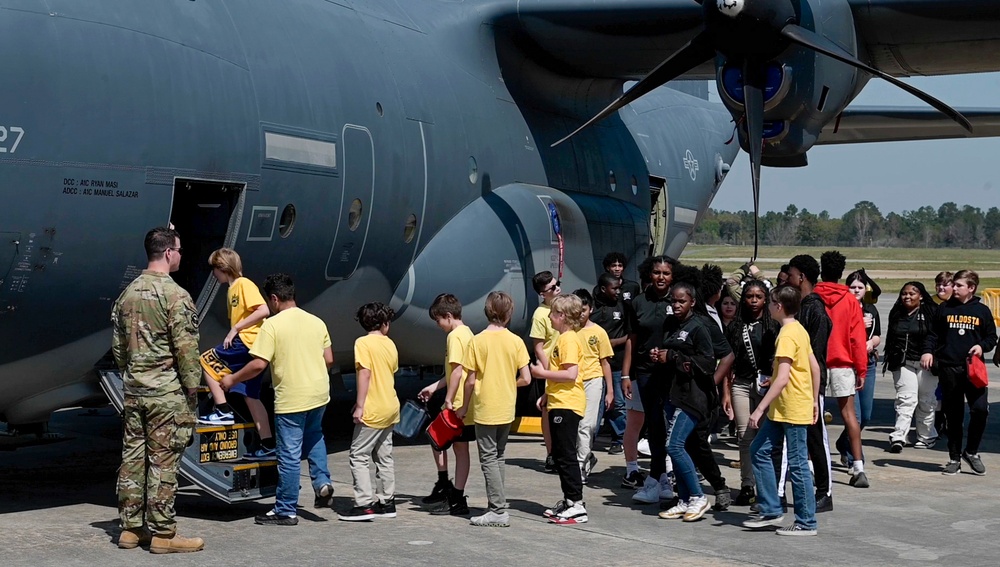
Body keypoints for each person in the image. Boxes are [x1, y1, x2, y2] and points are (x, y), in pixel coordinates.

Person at [111, 226, 204, 553]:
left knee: (133, 457)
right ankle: (164, 533)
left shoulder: (129, 293)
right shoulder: (176, 295)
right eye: (178, 250)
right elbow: (186, 349)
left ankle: (131, 530)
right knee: (164, 461)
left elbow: (119, 348)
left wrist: (134, 376)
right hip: (167, 394)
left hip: (135, 390)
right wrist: (193, 389)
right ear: (168, 253)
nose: (180, 255)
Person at [222, 273, 334, 526]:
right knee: (315, 436)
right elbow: (328, 360)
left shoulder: (273, 325)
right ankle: (322, 482)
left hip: (292, 398)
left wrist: (232, 379)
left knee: (289, 455)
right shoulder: (316, 321)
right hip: (319, 394)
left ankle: (285, 509)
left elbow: (258, 364)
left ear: (274, 299)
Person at [743, 285, 822, 536]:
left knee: (797, 465)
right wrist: (813, 400)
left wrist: (758, 410)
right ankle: (771, 509)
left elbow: (784, 378)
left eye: (770, 302)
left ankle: (806, 522)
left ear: (778, 306)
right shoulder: (797, 329)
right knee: (759, 450)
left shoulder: (787, 334)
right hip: (786, 407)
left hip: (790, 408)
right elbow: (814, 368)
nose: (767, 306)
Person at [453, 291, 532, 527]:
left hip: (486, 407)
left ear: (487, 311)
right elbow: (526, 378)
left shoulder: (477, 341)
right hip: (507, 406)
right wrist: (508, 382)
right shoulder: (516, 341)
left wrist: (464, 406)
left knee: (488, 458)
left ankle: (497, 510)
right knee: (498, 456)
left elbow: (469, 380)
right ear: (508, 314)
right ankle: (498, 504)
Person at [197, 249, 275, 458]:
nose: (213, 273)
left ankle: (222, 410)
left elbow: (263, 310)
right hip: (252, 344)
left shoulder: (243, 284)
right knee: (250, 396)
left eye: (214, 268)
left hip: (247, 341)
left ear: (223, 268)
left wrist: (236, 328)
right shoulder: (232, 288)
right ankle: (268, 445)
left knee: (206, 360)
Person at [922, 270, 997, 476]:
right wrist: (928, 352)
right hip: (949, 369)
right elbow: (933, 335)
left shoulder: (981, 311)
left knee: (980, 410)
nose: (953, 288)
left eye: (958, 285)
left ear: (971, 288)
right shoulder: (944, 309)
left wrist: (982, 346)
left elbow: (991, 337)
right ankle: (954, 458)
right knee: (953, 416)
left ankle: (971, 452)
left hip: (973, 370)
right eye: (953, 285)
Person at [656, 282, 718, 522]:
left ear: (692, 302)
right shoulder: (673, 325)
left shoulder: (699, 327)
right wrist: (660, 355)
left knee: (674, 446)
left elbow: (707, 363)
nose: (676, 305)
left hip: (693, 397)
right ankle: (683, 499)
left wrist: (673, 356)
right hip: (674, 394)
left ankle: (697, 496)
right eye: (673, 301)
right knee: (680, 447)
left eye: (681, 301)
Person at [623, 256, 678, 504]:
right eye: (657, 272)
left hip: (673, 371)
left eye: (666, 273)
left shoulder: (678, 301)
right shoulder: (638, 302)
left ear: (673, 276)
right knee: (654, 424)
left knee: (669, 427)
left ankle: (660, 478)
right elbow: (631, 340)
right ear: (649, 274)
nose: (661, 277)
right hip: (645, 372)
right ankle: (658, 479)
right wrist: (626, 374)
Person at [531, 294, 589, 524]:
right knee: (560, 454)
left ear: (562, 316)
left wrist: (541, 374)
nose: (550, 317)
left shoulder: (568, 340)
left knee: (566, 455)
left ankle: (576, 504)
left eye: (553, 313)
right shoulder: (562, 338)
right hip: (558, 401)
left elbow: (570, 374)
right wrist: (547, 393)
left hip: (567, 403)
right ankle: (569, 499)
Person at [339, 302, 400, 521]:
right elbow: (390, 371)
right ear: (384, 323)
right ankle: (387, 502)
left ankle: (364, 504)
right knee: (384, 455)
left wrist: (360, 405)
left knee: (359, 454)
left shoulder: (363, 343)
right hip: (390, 406)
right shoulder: (390, 344)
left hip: (373, 408)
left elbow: (364, 373)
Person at [814, 251, 869, 489]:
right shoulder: (850, 300)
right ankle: (858, 467)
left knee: (812, 416)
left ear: (821, 270)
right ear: (841, 273)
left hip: (815, 364)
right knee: (850, 417)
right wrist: (861, 369)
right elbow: (857, 338)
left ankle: (813, 465)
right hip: (843, 363)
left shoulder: (812, 297)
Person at [417, 294, 474, 516]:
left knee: (439, 439)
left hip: (457, 402)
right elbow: (455, 372)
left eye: (439, 320)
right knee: (458, 448)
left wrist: (448, 398)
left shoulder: (455, 336)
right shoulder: (468, 333)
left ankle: (454, 495)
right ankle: (450, 490)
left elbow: (458, 370)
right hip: (463, 400)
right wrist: (435, 387)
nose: (439, 326)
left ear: (448, 316)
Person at [724, 279, 779, 507]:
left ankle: (767, 486)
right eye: (749, 297)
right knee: (744, 436)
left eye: (758, 297)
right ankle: (747, 485)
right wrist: (725, 393)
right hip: (741, 384)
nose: (753, 301)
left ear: (766, 299)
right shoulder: (735, 326)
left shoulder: (773, 326)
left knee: (763, 438)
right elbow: (727, 362)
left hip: (766, 385)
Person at [786, 254, 834, 511]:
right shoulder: (801, 306)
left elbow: (814, 355)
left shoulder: (815, 310)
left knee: (816, 439)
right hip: (797, 384)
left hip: (810, 385)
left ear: (801, 277)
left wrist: (814, 392)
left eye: (792, 274)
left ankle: (825, 492)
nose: (788, 277)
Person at [883, 282, 939, 452]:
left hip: (926, 363)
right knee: (906, 399)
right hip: (903, 362)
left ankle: (926, 436)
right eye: (904, 294)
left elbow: (936, 336)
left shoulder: (931, 312)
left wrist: (930, 353)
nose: (907, 297)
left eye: (911, 294)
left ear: (921, 296)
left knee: (926, 400)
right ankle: (899, 436)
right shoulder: (897, 313)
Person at [835, 270, 881, 465]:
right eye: (852, 287)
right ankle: (855, 454)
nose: (856, 290)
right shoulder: (843, 308)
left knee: (868, 415)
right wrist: (859, 326)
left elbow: (877, 335)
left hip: (868, 362)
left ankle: (843, 441)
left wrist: (871, 343)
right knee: (857, 415)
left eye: (860, 287)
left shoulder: (871, 310)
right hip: (849, 363)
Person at [571, 289, 614, 483]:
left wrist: (610, 391)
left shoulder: (599, 332)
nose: (581, 313)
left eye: (584, 309)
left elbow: (605, 363)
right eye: (577, 309)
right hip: (572, 382)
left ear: (591, 309)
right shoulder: (568, 332)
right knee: (576, 425)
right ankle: (586, 457)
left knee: (588, 425)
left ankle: (581, 465)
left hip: (593, 380)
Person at [589, 273, 631, 456]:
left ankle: (619, 439)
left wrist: (615, 343)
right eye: (614, 288)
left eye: (619, 288)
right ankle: (589, 438)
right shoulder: (592, 308)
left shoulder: (623, 306)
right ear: (604, 289)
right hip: (595, 364)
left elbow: (631, 335)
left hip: (616, 363)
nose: (618, 292)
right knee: (595, 403)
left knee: (618, 403)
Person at [530, 271, 561, 472]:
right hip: (550, 369)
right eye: (552, 287)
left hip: (566, 367)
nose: (557, 288)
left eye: (557, 284)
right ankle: (551, 454)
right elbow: (538, 346)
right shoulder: (540, 315)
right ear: (543, 293)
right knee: (548, 412)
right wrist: (548, 369)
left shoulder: (563, 307)